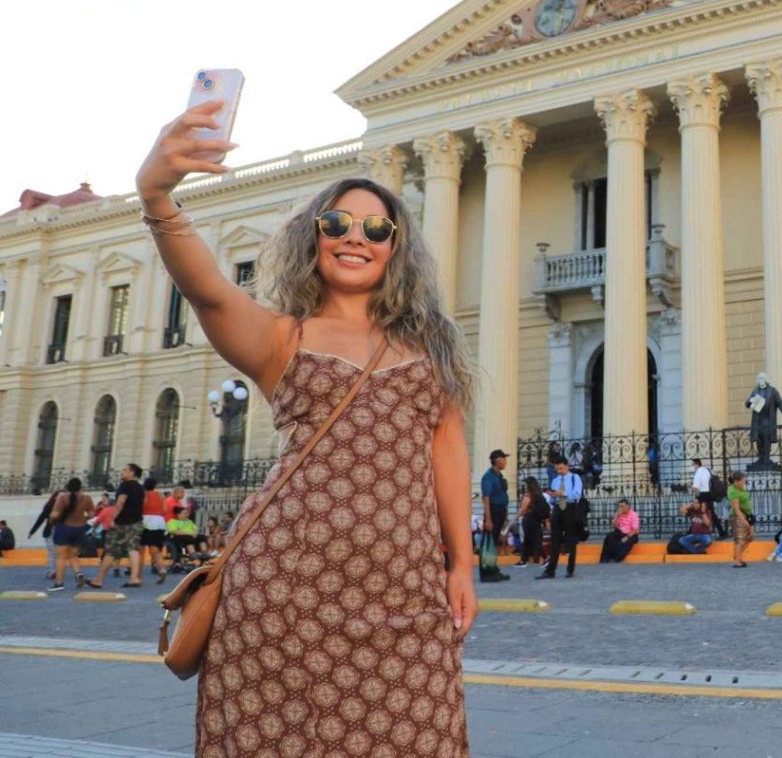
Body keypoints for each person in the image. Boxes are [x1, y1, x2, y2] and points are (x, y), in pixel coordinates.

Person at [137, 109, 476, 755]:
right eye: (337, 223)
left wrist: (461, 562)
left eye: (377, 227)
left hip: (406, 597)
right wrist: (156, 195)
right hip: (284, 597)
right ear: (314, 237)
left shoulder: (430, 345)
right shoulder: (282, 336)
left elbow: (448, 447)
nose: (356, 236)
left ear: (396, 245)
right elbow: (207, 290)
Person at [89, 463, 145, 588]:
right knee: (133, 549)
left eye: (124, 470)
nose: (122, 472)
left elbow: (120, 503)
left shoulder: (124, 486)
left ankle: (99, 579)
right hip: (137, 521)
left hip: (123, 522)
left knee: (111, 551)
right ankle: (135, 577)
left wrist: (113, 518)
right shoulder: (140, 487)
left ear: (132, 473)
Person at [538, 455, 585, 579]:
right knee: (555, 540)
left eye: (562, 469)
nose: (560, 471)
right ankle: (550, 571)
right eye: (558, 469)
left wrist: (562, 493)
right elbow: (553, 498)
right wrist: (552, 495)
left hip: (570, 507)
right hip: (558, 508)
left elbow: (576, 494)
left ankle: (570, 569)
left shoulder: (575, 478)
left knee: (571, 539)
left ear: (567, 466)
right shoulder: (555, 480)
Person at [47, 478, 94, 591]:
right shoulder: (87, 498)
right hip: (79, 530)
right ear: (80, 487)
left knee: (61, 557)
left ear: (68, 486)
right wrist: (82, 518)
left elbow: (54, 515)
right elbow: (92, 515)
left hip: (63, 528)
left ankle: (59, 583)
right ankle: (79, 576)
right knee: (73, 556)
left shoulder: (62, 498)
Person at [481, 449, 511, 582]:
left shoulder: (498, 475)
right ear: (497, 460)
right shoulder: (488, 476)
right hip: (493, 510)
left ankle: (493, 568)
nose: (505, 461)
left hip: (500, 510)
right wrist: (488, 519)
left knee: (495, 542)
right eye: (503, 458)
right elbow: (486, 498)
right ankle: (487, 572)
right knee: (489, 542)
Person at [139, 476, 170, 583]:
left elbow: (140, 507)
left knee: (140, 549)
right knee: (155, 549)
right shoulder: (160, 495)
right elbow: (165, 510)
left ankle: (137, 574)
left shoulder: (143, 495)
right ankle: (161, 569)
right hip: (159, 522)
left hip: (145, 521)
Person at [28, 492, 60, 583]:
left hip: (60, 533)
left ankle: (53, 570)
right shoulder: (49, 507)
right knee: (52, 551)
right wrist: (32, 532)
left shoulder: (64, 508)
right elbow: (40, 519)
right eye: (59, 496)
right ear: (54, 497)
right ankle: (52, 571)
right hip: (50, 532)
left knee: (56, 553)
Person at [690, 457, 726, 538]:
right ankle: (720, 532)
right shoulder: (707, 469)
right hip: (710, 494)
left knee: (698, 512)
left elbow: (695, 488)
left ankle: (721, 533)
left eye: (692, 465)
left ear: (696, 464)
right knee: (709, 513)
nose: (692, 467)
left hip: (703, 495)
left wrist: (696, 496)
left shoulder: (698, 473)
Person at [518, 476, 548, 567]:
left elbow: (523, 509)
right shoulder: (539, 495)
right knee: (530, 540)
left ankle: (545, 558)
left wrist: (516, 517)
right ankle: (523, 560)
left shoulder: (529, 495)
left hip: (529, 519)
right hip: (535, 519)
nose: (524, 486)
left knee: (534, 540)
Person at [727, 471, 754, 568]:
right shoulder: (733, 491)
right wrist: (744, 521)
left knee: (750, 537)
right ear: (736, 481)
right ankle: (737, 561)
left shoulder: (740, 488)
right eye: (743, 481)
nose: (744, 482)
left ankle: (737, 556)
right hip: (738, 517)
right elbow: (736, 509)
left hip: (747, 514)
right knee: (739, 539)